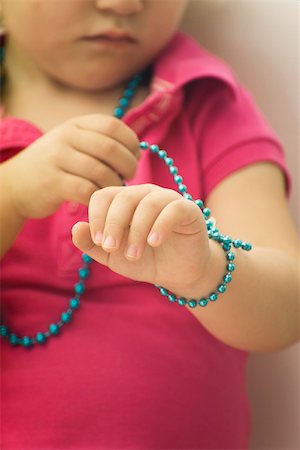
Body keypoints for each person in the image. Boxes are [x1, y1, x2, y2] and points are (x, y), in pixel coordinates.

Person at [0, 0, 299, 449]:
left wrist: (206, 270)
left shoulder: (204, 97)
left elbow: (288, 306)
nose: (121, 3)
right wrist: (12, 192)